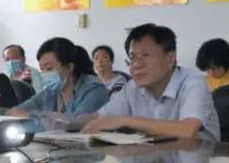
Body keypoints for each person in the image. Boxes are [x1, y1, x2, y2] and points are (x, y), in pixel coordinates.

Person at [81, 24, 221, 141]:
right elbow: (98, 117)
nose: (136, 64)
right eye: (132, 58)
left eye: (145, 55)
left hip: (203, 161)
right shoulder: (132, 87)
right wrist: (69, 121)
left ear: (170, 59)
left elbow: (187, 130)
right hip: (154, 159)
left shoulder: (193, 83)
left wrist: (125, 120)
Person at [7, 37, 108, 117]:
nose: (45, 74)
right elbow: (19, 110)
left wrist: (31, 115)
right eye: (42, 69)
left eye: (49, 68)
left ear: (69, 68)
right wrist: (14, 112)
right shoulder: (50, 91)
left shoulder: (94, 90)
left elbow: (74, 122)